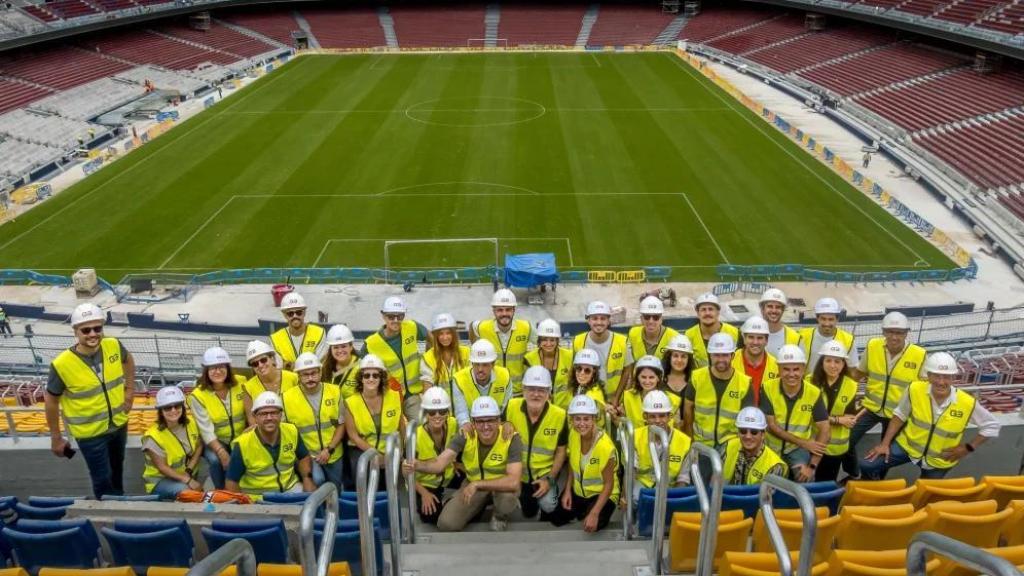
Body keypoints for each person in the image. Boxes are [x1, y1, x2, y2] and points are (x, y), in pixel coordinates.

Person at [861, 352, 1000, 480]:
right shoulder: (914, 389)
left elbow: (992, 426)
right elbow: (899, 415)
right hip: (907, 447)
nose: (941, 382)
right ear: (928, 375)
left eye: (946, 376)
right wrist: (884, 444)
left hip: (939, 459)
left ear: (953, 378)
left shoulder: (967, 403)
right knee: (867, 465)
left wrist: (968, 448)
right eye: (936, 375)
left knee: (925, 495)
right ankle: (874, 489)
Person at [46, 303, 135, 499]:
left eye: (98, 328)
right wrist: (56, 437)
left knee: (117, 470)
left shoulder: (113, 345)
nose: (93, 334)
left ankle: (119, 503)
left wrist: (129, 391)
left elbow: (129, 361)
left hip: (118, 425)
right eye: (86, 330)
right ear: (76, 332)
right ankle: (108, 515)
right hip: (91, 436)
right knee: (102, 479)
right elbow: (51, 401)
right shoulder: (62, 364)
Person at [406, 396, 523, 532]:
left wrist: (477, 484)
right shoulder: (466, 435)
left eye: (490, 420)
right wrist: (416, 464)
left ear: (498, 421)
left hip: (501, 487)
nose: (485, 426)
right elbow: (439, 463)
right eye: (480, 421)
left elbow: (513, 481)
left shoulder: (510, 437)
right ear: (473, 423)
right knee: (446, 524)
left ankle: (499, 516)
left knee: (507, 499)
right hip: (474, 485)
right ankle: (476, 505)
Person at [848, 311, 927, 451]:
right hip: (870, 408)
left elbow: (924, 388)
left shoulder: (919, 354)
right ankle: (853, 471)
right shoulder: (873, 346)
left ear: (906, 333)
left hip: (898, 414)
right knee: (845, 441)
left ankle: (875, 473)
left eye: (899, 332)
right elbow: (859, 373)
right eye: (890, 332)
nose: (894, 337)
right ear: (883, 332)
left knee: (885, 453)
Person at [505, 366, 568, 520]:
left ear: (549, 393)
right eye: (531, 389)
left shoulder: (559, 416)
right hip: (519, 474)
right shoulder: (511, 407)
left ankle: (550, 493)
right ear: (524, 390)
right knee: (528, 512)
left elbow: (561, 451)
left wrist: (549, 479)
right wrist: (504, 423)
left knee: (548, 505)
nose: (536, 394)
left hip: (543, 475)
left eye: (541, 390)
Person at [759, 345, 830, 482]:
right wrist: (804, 443)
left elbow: (825, 430)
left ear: (803, 369)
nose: (791, 374)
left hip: (797, 450)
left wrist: (812, 467)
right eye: (786, 369)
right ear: (779, 369)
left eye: (796, 369)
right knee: (770, 480)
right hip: (771, 447)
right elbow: (771, 426)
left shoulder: (814, 393)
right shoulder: (768, 388)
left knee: (805, 477)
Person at [226, 391, 316, 498]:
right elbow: (231, 482)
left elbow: (304, 457)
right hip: (259, 497)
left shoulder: (291, 431)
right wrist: (244, 504)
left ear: (281, 415)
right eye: (263, 414)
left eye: (274, 413)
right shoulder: (242, 444)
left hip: (289, 488)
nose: (269, 417)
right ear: (255, 416)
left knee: (314, 501)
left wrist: (307, 478)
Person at [550, 395, 619, 532]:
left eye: (586, 419)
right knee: (556, 518)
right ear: (572, 420)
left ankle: (588, 512)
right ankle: (582, 512)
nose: (582, 424)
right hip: (578, 492)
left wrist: (594, 513)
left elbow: (609, 484)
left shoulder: (604, 446)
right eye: (577, 419)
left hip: (601, 494)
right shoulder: (574, 435)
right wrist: (567, 491)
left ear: (594, 419)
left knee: (592, 525)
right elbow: (572, 464)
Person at [188, 347, 247, 489]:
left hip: (241, 436)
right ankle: (221, 491)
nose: (218, 371)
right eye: (212, 368)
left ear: (228, 368)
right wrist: (221, 452)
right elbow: (206, 430)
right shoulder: (198, 396)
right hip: (216, 440)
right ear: (206, 371)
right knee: (215, 461)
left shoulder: (241, 383)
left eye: (221, 367)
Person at [284, 353, 345, 487]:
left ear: (320, 372)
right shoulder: (287, 398)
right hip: (308, 457)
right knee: (317, 481)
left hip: (333, 453)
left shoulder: (335, 392)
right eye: (305, 374)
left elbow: (341, 425)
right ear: (298, 376)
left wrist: (329, 450)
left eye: (313, 373)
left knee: (336, 488)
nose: (310, 378)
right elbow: (287, 434)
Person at [363, 296, 429, 418]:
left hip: (412, 395)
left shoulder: (412, 327)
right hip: (388, 396)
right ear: (383, 316)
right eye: (391, 316)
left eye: (400, 316)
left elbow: (432, 337)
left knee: (421, 426)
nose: (396, 320)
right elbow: (359, 369)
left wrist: (429, 360)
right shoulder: (371, 344)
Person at [682, 333, 752, 449]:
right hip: (701, 444)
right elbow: (687, 410)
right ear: (710, 355)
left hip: (730, 447)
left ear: (732, 356)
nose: (720, 360)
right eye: (716, 355)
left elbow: (747, 421)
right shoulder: (697, 377)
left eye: (725, 355)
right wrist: (691, 441)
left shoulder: (744, 383)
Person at [344, 354, 406, 473]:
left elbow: (401, 426)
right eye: (366, 375)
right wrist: (376, 455)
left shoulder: (394, 396)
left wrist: (402, 451)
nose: (371, 379)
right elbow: (354, 436)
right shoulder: (350, 402)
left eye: (375, 375)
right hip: (362, 450)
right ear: (361, 378)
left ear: (381, 377)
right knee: (364, 470)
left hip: (390, 449)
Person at [810, 341, 860, 482]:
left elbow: (849, 420)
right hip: (813, 443)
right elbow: (807, 414)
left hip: (835, 448)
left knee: (825, 482)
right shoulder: (810, 382)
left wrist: (825, 418)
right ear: (822, 362)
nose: (833, 365)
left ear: (844, 364)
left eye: (837, 361)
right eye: (828, 360)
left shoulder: (851, 386)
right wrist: (838, 419)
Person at [410, 387, 460, 525]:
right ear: (425, 414)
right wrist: (424, 493)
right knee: (430, 517)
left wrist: (455, 462)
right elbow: (406, 473)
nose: (437, 416)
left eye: (442, 411)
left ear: (447, 413)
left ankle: (453, 502)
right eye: (432, 412)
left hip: (449, 475)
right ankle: (449, 503)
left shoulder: (453, 424)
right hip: (426, 484)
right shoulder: (415, 437)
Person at [143, 386, 203, 500]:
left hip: (186, 475)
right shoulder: (153, 437)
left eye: (177, 406)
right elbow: (162, 468)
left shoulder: (191, 424)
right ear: (160, 411)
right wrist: (187, 480)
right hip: (161, 480)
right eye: (167, 408)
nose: (173, 410)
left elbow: (199, 446)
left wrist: (188, 471)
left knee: (196, 494)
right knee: (189, 493)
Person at [632, 390, 691, 502]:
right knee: (634, 498)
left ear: (669, 416)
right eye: (652, 416)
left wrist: (674, 501)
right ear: (645, 416)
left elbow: (683, 479)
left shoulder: (684, 442)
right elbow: (631, 472)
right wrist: (626, 497)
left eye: (662, 416)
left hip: (670, 486)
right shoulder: (635, 436)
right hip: (643, 484)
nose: (658, 421)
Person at [471, 289, 533, 394]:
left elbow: (544, 343)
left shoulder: (526, 327)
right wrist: (475, 346)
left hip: (517, 392)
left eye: (508, 309)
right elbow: (472, 326)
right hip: (494, 391)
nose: (504, 314)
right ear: (493, 311)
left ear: (514, 310)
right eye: (500, 310)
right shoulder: (483, 327)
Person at [573, 301, 633, 406]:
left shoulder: (621, 342)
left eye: (603, 318)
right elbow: (574, 372)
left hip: (614, 400)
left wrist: (617, 397)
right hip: (587, 398)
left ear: (609, 321)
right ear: (588, 320)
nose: (599, 322)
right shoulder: (578, 341)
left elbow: (627, 369)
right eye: (595, 318)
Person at [452, 339, 513, 431]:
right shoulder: (459, 379)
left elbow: (508, 408)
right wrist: (465, 423)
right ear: (472, 363)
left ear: (493, 364)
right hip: (473, 427)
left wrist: (508, 422)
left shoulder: (504, 376)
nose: (480, 369)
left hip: (496, 426)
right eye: (476, 364)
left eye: (485, 365)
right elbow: (461, 411)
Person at [721, 407, 788, 485]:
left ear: (763, 434)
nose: (748, 436)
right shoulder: (728, 446)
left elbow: (769, 496)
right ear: (738, 432)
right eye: (743, 431)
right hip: (725, 495)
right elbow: (714, 481)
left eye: (754, 432)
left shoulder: (775, 465)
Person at [242, 340, 298, 425]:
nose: (260, 365)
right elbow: (252, 421)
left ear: (272, 358)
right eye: (255, 364)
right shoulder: (248, 388)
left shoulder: (293, 378)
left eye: (263, 360)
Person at [618, 355, 681, 431]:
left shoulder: (673, 400)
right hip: (636, 441)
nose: (647, 381)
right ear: (637, 377)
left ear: (659, 378)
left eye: (651, 377)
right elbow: (622, 425)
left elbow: (677, 429)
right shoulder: (627, 396)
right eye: (643, 377)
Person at [525, 318, 573, 410]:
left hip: (565, 411)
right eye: (544, 340)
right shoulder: (529, 359)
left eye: (552, 340)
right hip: (541, 411)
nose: (548, 344)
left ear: (557, 341)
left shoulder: (569, 356)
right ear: (539, 341)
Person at [270, 291, 325, 370]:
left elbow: (318, 366)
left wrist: (288, 365)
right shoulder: (275, 339)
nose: (295, 316)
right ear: (284, 314)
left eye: (299, 312)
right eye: (290, 313)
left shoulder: (319, 333)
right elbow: (278, 370)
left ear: (304, 312)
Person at [798, 298, 857, 372]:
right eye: (823, 319)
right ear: (817, 318)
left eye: (831, 319)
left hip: (836, 383)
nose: (827, 323)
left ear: (837, 319)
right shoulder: (802, 336)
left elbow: (852, 369)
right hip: (808, 382)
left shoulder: (848, 340)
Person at [684, 293, 740, 368]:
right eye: (703, 310)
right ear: (697, 313)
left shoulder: (734, 333)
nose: (707, 313)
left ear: (718, 312)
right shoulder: (689, 335)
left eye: (711, 309)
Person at [421, 313, 469, 399]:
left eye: (448, 333)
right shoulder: (428, 357)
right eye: (441, 334)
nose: (445, 337)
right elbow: (427, 389)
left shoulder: (466, 352)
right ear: (435, 336)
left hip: (464, 406)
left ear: (454, 334)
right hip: (440, 408)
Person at [733, 316, 779, 405]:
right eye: (751, 337)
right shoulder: (731, 361)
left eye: (760, 338)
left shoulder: (776, 366)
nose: (755, 342)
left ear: (766, 340)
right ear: (744, 339)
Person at [570, 348, 612, 432]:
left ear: (594, 373)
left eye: (587, 370)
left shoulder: (592, 396)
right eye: (579, 368)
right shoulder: (584, 387)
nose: (582, 373)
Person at [628, 296, 679, 361]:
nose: (651, 321)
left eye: (656, 317)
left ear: (661, 319)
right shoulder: (633, 333)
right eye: (647, 317)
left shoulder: (673, 337)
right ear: (641, 319)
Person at [321, 324, 359, 399]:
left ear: (351, 347)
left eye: (343, 346)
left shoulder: (362, 367)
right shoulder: (325, 367)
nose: (340, 350)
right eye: (336, 347)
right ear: (331, 349)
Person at [759, 288, 798, 358]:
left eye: (778, 307)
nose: (774, 311)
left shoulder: (794, 336)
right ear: (762, 309)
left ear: (783, 310)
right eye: (770, 306)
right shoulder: (751, 334)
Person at [661, 334, 694, 405]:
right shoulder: (660, 379)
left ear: (689, 359)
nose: (679, 360)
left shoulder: (694, 381)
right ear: (669, 357)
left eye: (683, 356)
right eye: (675, 356)